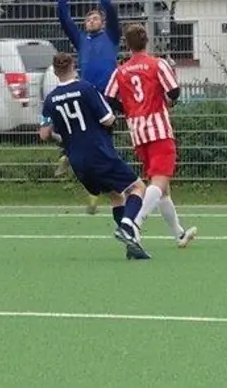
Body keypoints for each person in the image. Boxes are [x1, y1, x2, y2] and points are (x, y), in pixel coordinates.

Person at [40, 53, 152, 260]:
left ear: (55, 72)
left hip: (77, 161)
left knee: (116, 195)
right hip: (99, 153)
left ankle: (132, 245)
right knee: (138, 187)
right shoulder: (86, 88)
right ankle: (127, 227)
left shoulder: (50, 100)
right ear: (74, 66)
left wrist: (64, 138)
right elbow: (108, 119)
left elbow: (44, 134)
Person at [105, 24, 197, 249]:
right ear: (147, 41)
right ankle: (134, 224)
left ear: (127, 45)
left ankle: (178, 233)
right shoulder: (157, 64)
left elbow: (109, 97)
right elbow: (174, 91)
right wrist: (165, 101)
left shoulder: (121, 71)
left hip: (137, 130)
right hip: (158, 128)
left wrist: (129, 108)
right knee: (159, 180)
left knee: (162, 187)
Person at [56, 0, 121, 214]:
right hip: (85, 95)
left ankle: (100, 189)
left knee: (102, 143)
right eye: (88, 18)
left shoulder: (111, 36)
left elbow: (111, 12)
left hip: (107, 96)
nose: (92, 20)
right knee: (81, 137)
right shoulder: (81, 40)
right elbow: (65, 21)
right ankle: (68, 155)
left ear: (102, 22)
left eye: (96, 17)